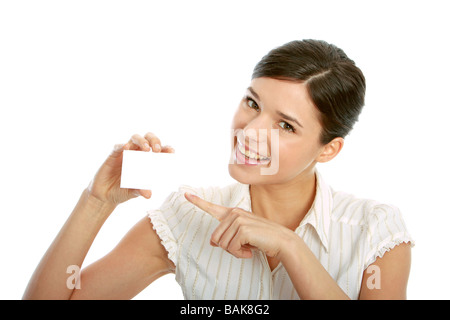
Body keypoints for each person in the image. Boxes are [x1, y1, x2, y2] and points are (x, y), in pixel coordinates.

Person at [23, 39, 414, 300]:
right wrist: (96, 202)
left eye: (285, 125)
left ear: (328, 149)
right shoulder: (188, 214)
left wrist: (291, 247)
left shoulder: (375, 229)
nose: (251, 132)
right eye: (252, 103)